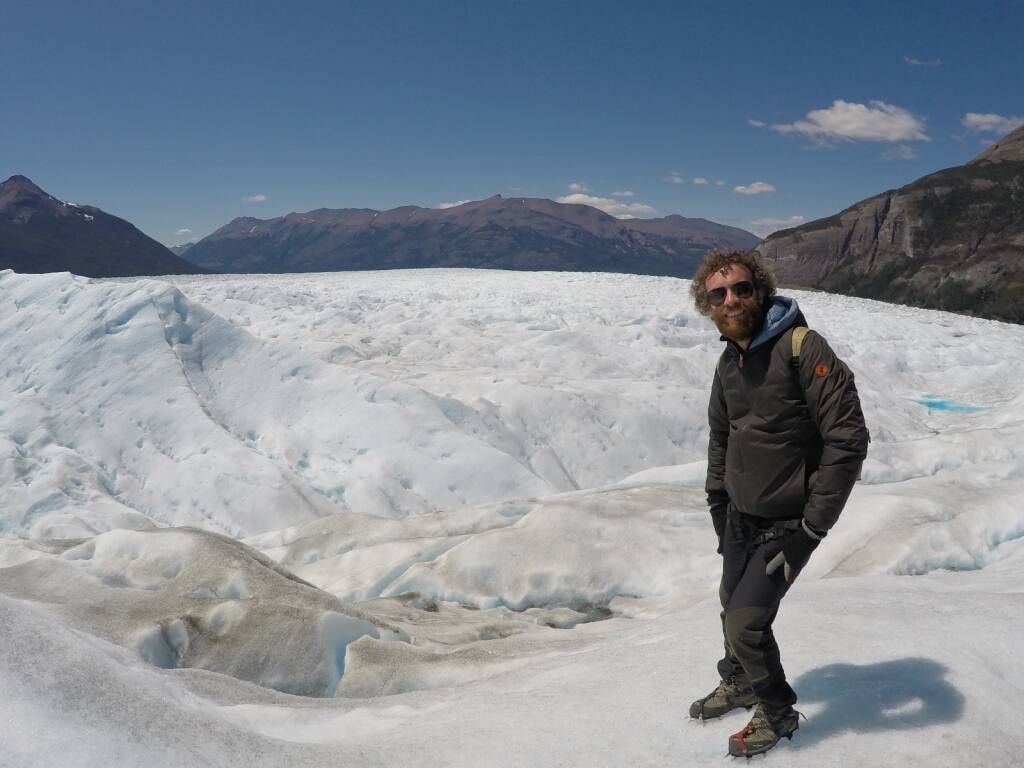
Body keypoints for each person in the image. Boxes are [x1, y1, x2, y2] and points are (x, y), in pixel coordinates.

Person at [686, 249, 869, 757]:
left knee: (747, 622)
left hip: (789, 522)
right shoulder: (730, 360)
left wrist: (810, 529)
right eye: (718, 293)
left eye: (742, 288)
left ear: (760, 289)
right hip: (741, 516)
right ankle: (740, 682)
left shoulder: (802, 347)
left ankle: (777, 710)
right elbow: (722, 437)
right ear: (707, 305)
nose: (732, 299)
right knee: (730, 609)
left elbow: (848, 439)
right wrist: (718, 504)